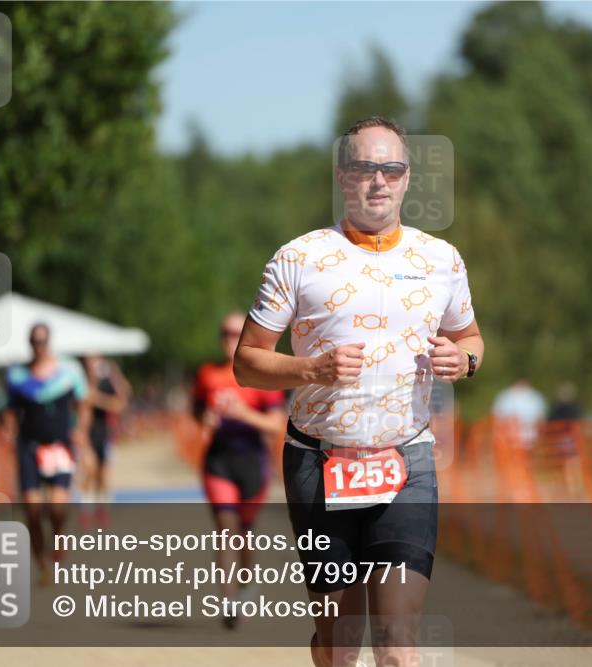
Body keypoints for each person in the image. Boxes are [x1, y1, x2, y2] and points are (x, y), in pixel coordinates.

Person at [234, 116, 484, 667]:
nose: (378, 180)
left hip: (407, 458)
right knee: (339, 646)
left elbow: (470, 338)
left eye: (390, 168)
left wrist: (463, 360)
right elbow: (247, 364)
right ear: (343, 176)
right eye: (364, 168)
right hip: (318, 461)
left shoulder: (440, 260)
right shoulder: (298, 258)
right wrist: (312, 370)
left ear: (407, 178)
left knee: (399, 645)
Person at [193, 311, 287, 630]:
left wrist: (244, 414)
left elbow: (276, 425)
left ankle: (246, 585)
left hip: (252, 462)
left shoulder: (262, 375)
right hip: (218, 459)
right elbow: (197, 409)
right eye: (225, 333)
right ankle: (229, 600)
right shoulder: (207, 374)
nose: (229, 339)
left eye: (236, 333)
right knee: (225, 528)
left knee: (245, 534)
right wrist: (204, 419)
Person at [2, 323, 91, 584]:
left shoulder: (69, 371)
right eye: (34, 341)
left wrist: (81, 430)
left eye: (42, 341)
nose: (38, 346)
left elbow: (83, 403)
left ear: (49, 342)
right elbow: (9, 410)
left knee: (57, 503)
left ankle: (59, 533)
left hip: (59, 446)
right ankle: (42, 563)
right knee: (31, 506)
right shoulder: (17, 376)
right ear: (29, 343)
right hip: (29, 446)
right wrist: (8, 428)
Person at [79, 354, 131, 527]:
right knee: (89, 471)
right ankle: (86, 511)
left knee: (103, 474)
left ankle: (101, 508)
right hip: (86, 434)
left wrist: (97, 398)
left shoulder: (108, 380)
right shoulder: (78, 379)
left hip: (104, 433)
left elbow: (120, 402)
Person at [492, 378, 546, 449]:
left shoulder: (535, 396)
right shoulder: (506, 396)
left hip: (529, 435)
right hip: (510, 435)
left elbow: (540, 416)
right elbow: (497, 416)